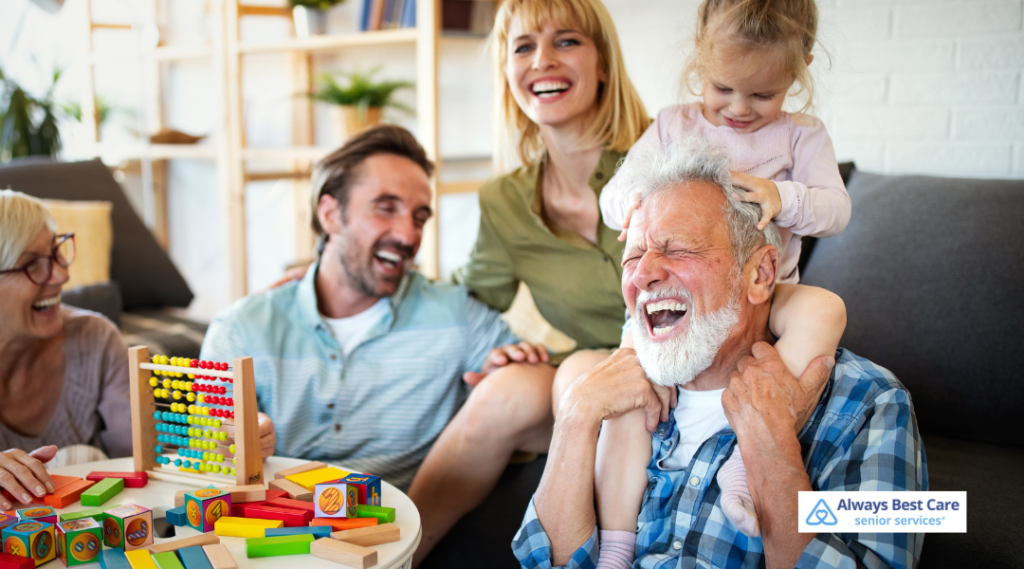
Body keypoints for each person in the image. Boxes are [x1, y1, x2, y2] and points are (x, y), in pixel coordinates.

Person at [512, 136, 926, 569]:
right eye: (632, 257)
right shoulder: (614, 399)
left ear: (762, 274)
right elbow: (542, 563)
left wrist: (771, 450)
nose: (644, 275)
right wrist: (576, 415)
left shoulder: (869, 403)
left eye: (678, 249)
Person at [200, 125, 551, 557]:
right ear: (330, 214)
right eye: (385, 209)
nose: (408, 235)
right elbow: (199, 459)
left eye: (419, 216)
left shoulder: (456, 315)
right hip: (269, 548)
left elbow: (547, 419)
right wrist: (231, 443)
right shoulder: (240, 329)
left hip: (399, 543)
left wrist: (503, 380)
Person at [594, 0, 852, 547]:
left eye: (762, 94)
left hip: (771, 292)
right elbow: (612, 198)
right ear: (700, 61)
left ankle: (746, 454)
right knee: (627, 405)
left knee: (823, 309)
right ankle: (615, 547)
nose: (739, 108)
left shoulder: (800, 136)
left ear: (799, 67)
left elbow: (836, 210)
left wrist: (783, 197)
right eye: (722, 88)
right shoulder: (673, 125)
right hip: (678, 306)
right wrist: (640, 201)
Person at [0, 190, 131, 510]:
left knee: (85, 457)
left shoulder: (97, 339)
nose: (62, 275)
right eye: (33, 264)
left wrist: (223, 442)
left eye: (57, 252)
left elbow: (143, 459)